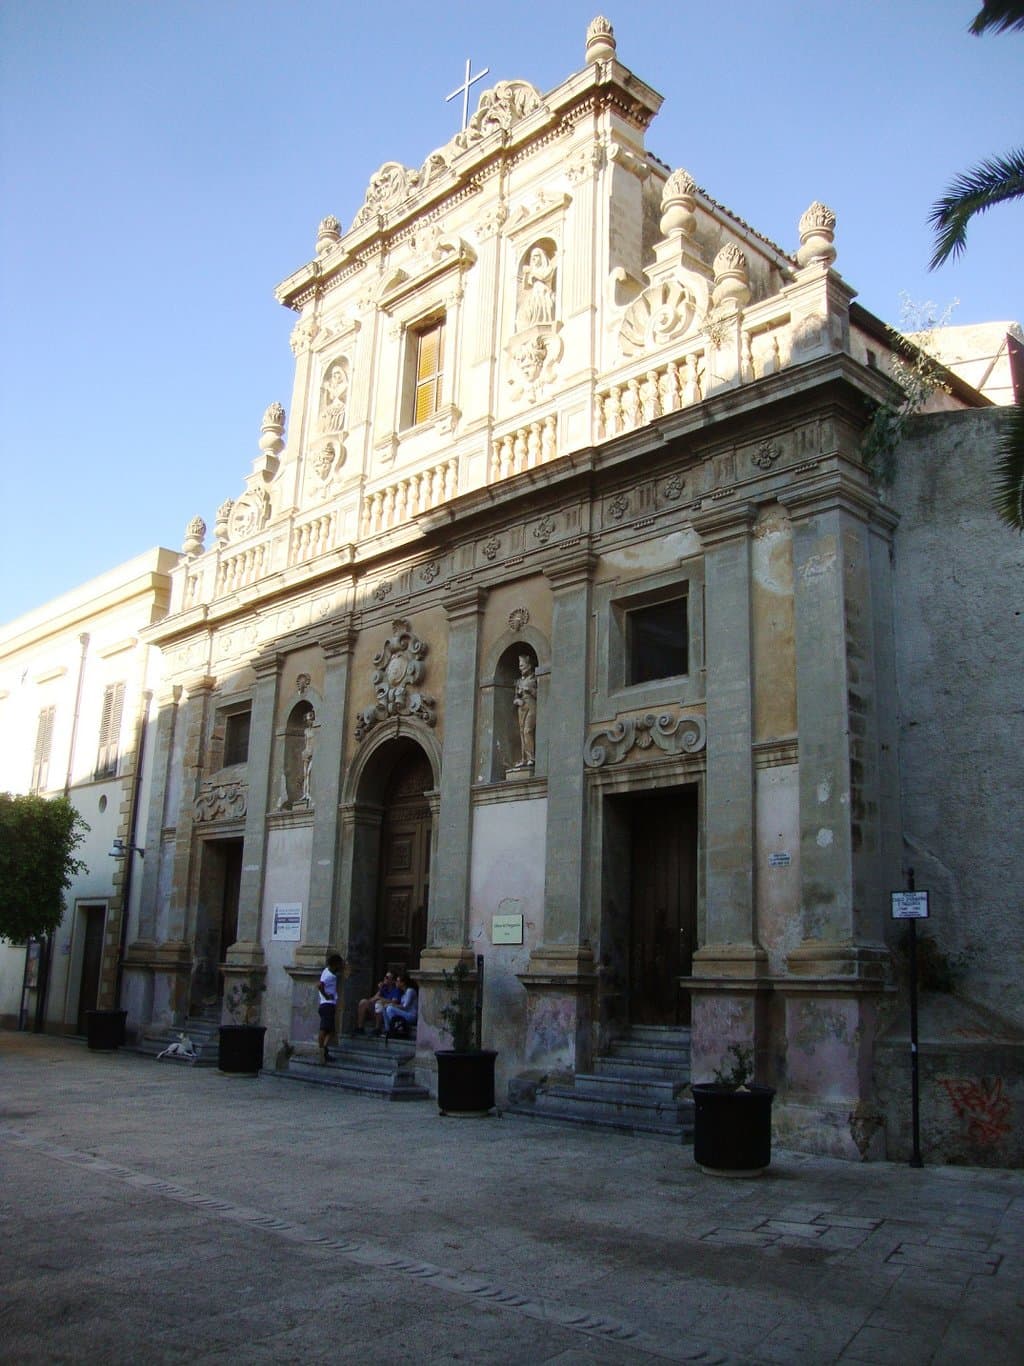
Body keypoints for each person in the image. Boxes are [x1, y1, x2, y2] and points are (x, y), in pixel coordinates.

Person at [318, 953, 344, 1063]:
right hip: (327, 1004)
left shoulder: (327, 971)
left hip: (326, 1004)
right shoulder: (329, 976)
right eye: (340, 964)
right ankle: (322, 1050)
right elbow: (320, 985)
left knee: (330, 1030)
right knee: (325, 1029)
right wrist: (326, 996)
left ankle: (324, 1050)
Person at [512, 653, 537, 768]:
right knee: (522, 732)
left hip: (531, 705)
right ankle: (524, 759)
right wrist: (517, 701)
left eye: (522, 665)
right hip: (521, 707)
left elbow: (540, 694)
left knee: (528, 731)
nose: (520, 668)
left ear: (529, 665)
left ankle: (531, 757)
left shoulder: (534, 678)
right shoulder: (519, 681)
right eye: (519, 665)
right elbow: (515, 697)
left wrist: (529, 690)